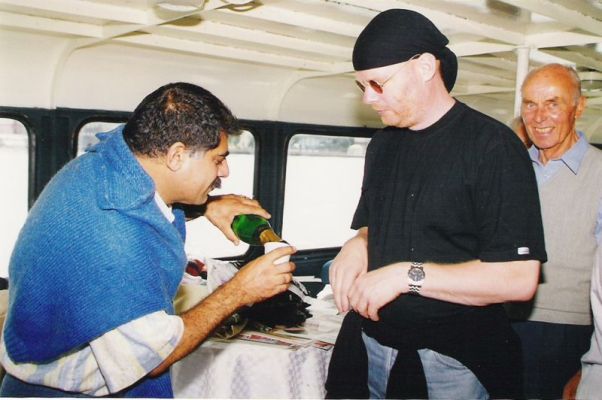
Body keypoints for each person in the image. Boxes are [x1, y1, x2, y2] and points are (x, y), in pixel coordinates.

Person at [0, 82, 296, 397]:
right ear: (177, 155)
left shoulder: (101, 165)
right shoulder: (115, 237)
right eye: (218, 159)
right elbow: (154, 355)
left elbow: (145, 201)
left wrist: (206, 206)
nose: (225, 171)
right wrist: (239, 291)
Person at [325, 9, 546, 399]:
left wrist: (405, 276)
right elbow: (375, 226)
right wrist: (358, 244)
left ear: (425, 67)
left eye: (377, 83)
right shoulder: (381, 146)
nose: (368, 98)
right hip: (375, 344)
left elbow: (519, 278)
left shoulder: (493, 147)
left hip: (455, 358)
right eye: (361, 86)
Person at [505, 63, 602, 399]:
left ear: (579, 107)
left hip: (570, 333)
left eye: (552, 103)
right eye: (530, 104)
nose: (539, 117)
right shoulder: (508, 168)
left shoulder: (599, 173)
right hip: (499, 322)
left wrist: (593, 366)